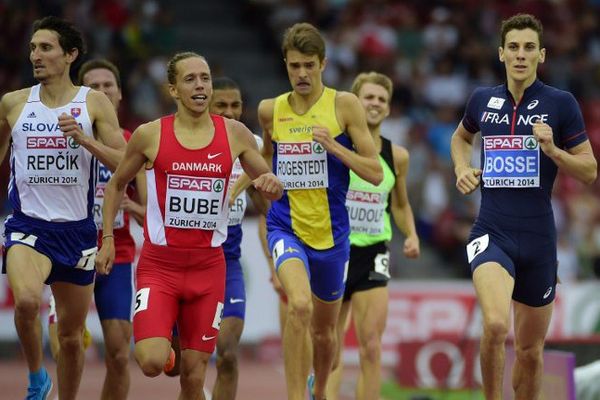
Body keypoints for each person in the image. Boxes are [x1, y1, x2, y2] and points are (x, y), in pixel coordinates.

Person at [95, 52, 283, 399]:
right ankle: (167, 347)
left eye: (205, 78)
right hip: (159, 267)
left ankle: (181, 350)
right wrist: (107, 238)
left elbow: (269, 179)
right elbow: (116, 185)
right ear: (173, 89)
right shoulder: (150, 135)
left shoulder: (235, 134)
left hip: (209, 269)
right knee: (150, 361)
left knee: (194, 378)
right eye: (190, 79)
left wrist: (272, 184)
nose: (200, 85)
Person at [450, 13, 597, 400]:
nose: (520, 54)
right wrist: (462, 167)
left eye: (528, 47)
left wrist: (553, 150)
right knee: (496, 325)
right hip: (491, 231)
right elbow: (460, 138)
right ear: (501, 53)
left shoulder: (560, 104)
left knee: (531, 353)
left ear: (541, 55)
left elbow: (589, 171)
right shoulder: (482, 99)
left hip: (538, 239)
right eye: (513, 47)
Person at [0, 16, 125, 400]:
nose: (35, 55)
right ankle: (38, 378)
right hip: (27, 225)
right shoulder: (14, 102)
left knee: (71, 338)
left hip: (77, 233)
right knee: (26, 301)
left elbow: (124, 162)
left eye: (46, 47)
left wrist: (85, 141)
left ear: (70, 54)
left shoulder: (94, 103)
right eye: (33, 47)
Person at [259, 22, 383, 400]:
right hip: (286, 227)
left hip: (331, 236)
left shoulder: (344, 105)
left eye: (308, 65)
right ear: (286, 64)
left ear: (323, 64)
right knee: (298, 305)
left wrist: (335, 148)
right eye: (294, 66)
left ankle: (320, 386)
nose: (301, 73)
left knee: (325, 334)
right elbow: (264, 161)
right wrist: (265, 182)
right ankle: (295, 395)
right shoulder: (270, 111)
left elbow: (375, 172)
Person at [163, 76, 270, 400]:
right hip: (186, 257)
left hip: (229, 260)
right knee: (180, 366)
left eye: (235, 105)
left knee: (227, 352)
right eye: (221, 105)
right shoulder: (186, 139)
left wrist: (259, 182)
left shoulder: (250, 143)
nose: (230, 112)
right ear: (206, 105)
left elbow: (265, 207)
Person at [47, 58, 146, 400]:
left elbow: (153, 214)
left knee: (119, 354)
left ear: (118, 94)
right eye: (94, 87)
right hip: (70, 250)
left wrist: (130, 206)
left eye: (108, 86)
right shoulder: (61, 135)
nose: (102, 91)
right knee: (65, 347)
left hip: (116, 256)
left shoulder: (137, 142)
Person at [326, 72, 420, 400]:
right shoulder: (337, 147)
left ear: (389, 108)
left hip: (373, 253)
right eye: (369, 97)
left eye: (381, 99)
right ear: (355, 102)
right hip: (337, 251)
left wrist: (412, 235)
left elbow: (401, 204)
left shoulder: (398, 157)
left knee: (371, 346)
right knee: (330, 347)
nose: (375, 104)